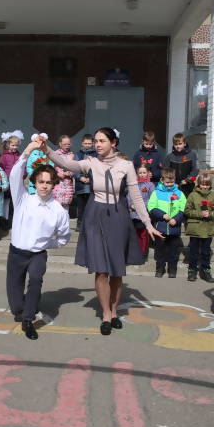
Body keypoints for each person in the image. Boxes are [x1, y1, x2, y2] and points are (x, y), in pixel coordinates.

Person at [41, 128, 161, 335]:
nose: (97, 144)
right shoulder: (91, 162)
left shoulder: (126, 165)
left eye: (102, 141)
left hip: (118, 217)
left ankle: (114, 312)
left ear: (113, 143)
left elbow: (136, 196)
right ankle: (106, 313)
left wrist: (148, 223)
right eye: (96, 141)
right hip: (94, 217)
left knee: (116, 270)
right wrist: (47, 150)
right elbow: (68, 164)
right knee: (101, 269)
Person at [6, 140, 71, 340]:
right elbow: (14, 175)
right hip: (16, 253)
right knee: (16, 304)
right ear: (35, 181)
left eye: (48, 182)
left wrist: (47, 244)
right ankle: (24, 308)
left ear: (53, 184)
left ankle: (28, 320)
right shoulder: (22, 199)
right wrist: (27, 151)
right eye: (41, 181)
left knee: (35, 280)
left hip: (37, 255)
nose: (44, 186)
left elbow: (64, 237)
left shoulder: (58, 210)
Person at [147, 168, 186, 278]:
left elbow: (183, 208)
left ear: (175, 180)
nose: (169, 184)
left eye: (172, 182)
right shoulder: (156, 193)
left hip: (174, 228)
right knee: (160, 251)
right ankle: (160, 269)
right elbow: (151, 207)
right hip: (161, 228)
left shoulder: (179, 193)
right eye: (167, 182)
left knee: (173, 252)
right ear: (162, 180)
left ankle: (172, 270)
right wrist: (162, 215)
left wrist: (176, 219)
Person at [184, 171, 214, 283]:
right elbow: (187, 211)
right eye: (202, 184)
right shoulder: (192, 195)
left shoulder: (213, 196)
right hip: (195, 228)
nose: (205, 186)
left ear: (210, 185)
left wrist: (210, 214)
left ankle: (205, 270)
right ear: (198, 184)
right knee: (193, 252)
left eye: (207, 184)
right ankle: (192, 270)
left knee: (206, 252)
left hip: (207, 228)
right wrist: (200, 214)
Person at [129, 162, 155, 256]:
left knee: (144, 234)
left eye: (144, 172)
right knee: (135, 234)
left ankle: (143, 253)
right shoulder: (133, 184)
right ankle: (136, 252)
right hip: (133, 213)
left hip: (144, 214)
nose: (142, 174)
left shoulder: (150, 185)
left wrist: (141, 206)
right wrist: (131, 205)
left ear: (148, 173)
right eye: (140, 173)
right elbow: (129, 196)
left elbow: (152, 199)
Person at [164, 132, 198, 198]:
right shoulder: (170, 157)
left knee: (187, 202)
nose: (178, 146)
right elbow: (166, 171)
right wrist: (172, 182)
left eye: (180, 144)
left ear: (184, 143)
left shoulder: (192, 155)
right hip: (173, 186)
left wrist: (187, 180)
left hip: (188, 186)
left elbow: (195, 170)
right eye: (176, 144)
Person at [0, 133, 22, 226]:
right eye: (13, 145)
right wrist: (2, 179)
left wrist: (23, 175)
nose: (15, 147)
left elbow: (23, 167)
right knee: (6, 202)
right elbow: (0, 168)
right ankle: (4, 221)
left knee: (14, 202)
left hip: (17, 182)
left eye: (16, 145)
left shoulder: (20, 156)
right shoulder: (4, 156)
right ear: (8, 145)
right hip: (7, 182)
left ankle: (14, 222)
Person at [73, 133, 95, 231]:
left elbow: (98, 169)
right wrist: (80, 177)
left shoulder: (96, 155)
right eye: (85, 143)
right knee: (81, 206)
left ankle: (90, 224)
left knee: (91, 206)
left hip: (91, 186)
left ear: (93, 144)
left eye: (89, 143)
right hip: (80, 186)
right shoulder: (78, 154)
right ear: (82, 143)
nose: (87, 145)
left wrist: (91, 178)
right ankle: (80, 223)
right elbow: (75, 168)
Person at [52, 135, 75, 213]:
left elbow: (76, 168)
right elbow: (50, 168)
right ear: (60, 144)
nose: (67, 146)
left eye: (68, 144)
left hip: (68, 184)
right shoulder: (55, 154)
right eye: (65, 144)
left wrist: (70, 172)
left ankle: (65, 220)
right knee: (56, 205)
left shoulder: (72, 155)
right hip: (58, 183)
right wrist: (58, 174)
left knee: (66, 206)